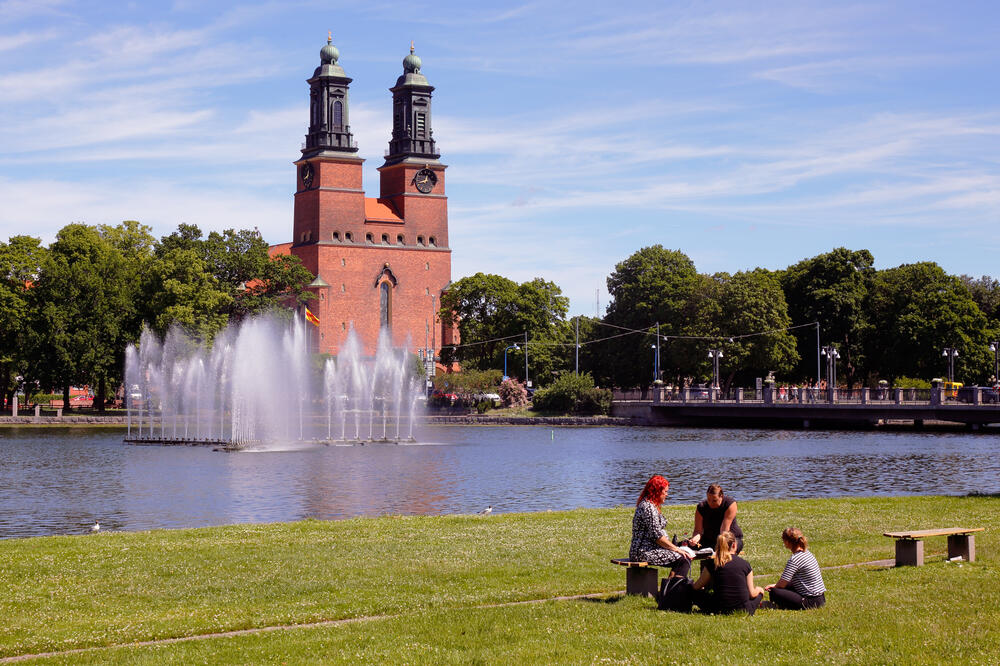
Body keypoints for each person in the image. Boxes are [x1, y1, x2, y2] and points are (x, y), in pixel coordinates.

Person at [629, 475, 692, 579]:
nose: (667, 494)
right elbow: (656, 536)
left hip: (651, 549)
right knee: (683, 559)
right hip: (643, 552)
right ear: (657, 491)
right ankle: (673, 587)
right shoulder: (648, 507)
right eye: (665, 491)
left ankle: (671, 585)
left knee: (684, 556)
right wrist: (676, 549)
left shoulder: (651, 505)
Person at [692, 531, 765, 615]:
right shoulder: (745, 564)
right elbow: (752, 594)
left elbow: (696, 587)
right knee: (759, 594)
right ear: (734, 545)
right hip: (743, 608)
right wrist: (760, 590)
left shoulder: (713, 563)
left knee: (694, 593)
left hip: (718, 608)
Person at [764, 527, 826, 610]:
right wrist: (776, 585)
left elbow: (782, 584)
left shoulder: (795, 559)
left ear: (787, 542)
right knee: (787, 586)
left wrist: (774, 586)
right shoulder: (807, 553)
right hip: (820, 598)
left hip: (810, 601)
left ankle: (778, 605)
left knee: (774, 592)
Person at [690, 483, 743, 554]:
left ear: (721, 496)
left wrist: (721, 547)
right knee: (685, 546)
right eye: (708, 500)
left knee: (730, 548)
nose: (711, 503)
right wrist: (695, 538)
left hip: (728, 538)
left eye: (714, 500)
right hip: (709, 539)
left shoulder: (730, 504)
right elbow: (698, 530)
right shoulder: (701, 507)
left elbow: (724, 530)